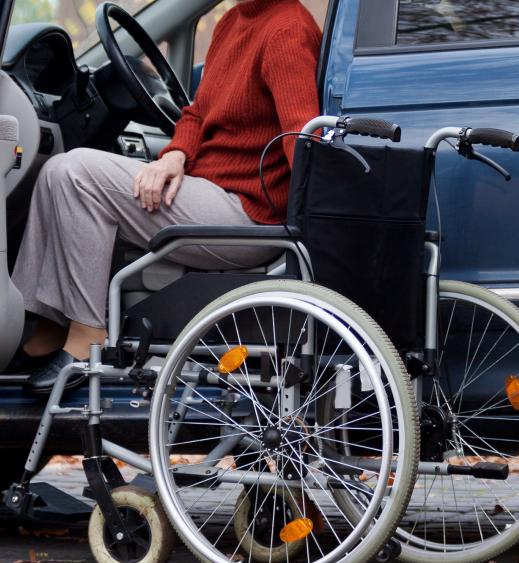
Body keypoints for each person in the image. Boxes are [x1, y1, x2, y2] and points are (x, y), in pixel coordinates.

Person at [8, 0, 322, 393]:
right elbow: (196, 114)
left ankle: (88, 334)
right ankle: (52, 324)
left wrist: (315, 228)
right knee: (55, 170)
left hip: (246, 211)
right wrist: (175, 154)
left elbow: (302, 138)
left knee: (77, 171)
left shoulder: (287, 29)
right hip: (206, 188)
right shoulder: (232, 22)